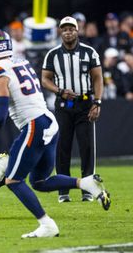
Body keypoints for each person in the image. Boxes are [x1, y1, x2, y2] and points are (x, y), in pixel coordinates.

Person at [0, 29, 110, 238]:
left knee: (13, 180)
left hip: (34, 125)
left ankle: (47, 224)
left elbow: (0, 113)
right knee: (39, 181)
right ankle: (85, 183)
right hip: (48, 121)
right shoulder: (20, 61)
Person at [42, 16, 104, 203]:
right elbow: (45, 79)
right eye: (64, 29)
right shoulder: (52, 54)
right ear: (60, 32)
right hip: (63, 105)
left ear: (78, 31)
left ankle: (88, 189)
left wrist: (97, 102)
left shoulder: (89, 52)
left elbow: (98, 78)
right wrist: (60, 91)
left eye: (71, 29)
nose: (68, 32)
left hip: (85, 103)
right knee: (62, 148)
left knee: (86, 147)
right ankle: (63, 190)